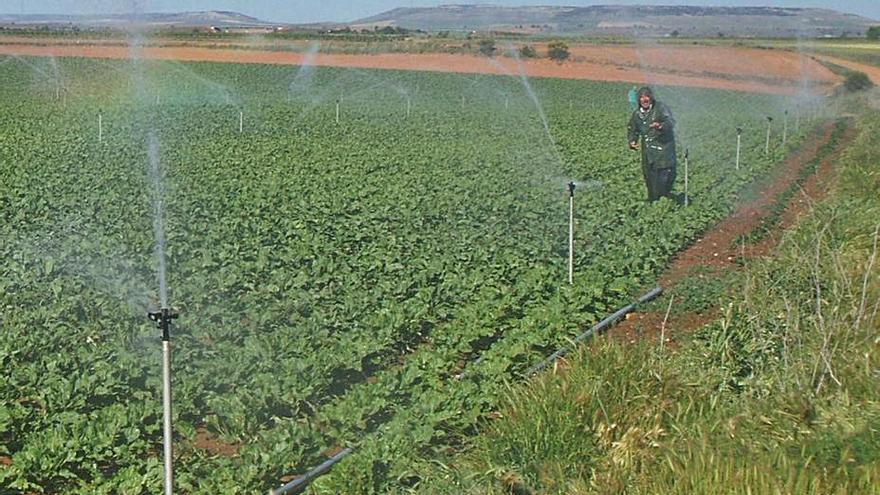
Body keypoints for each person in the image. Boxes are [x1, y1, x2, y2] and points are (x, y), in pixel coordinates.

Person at [627, 86, 677, 202]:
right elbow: (633, 129)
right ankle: (654, 201)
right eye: (642, 97)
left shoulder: (660, 108)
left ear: (651, 98)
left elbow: (670, 121)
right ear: (639, 99)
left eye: (647, 96)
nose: (644, 99)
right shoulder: (637, 114)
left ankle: (664, 200)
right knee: (650, 179)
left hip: (664, 150)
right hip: (648, 153)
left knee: (664, 178)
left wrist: (660, 126)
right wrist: (632, 141)